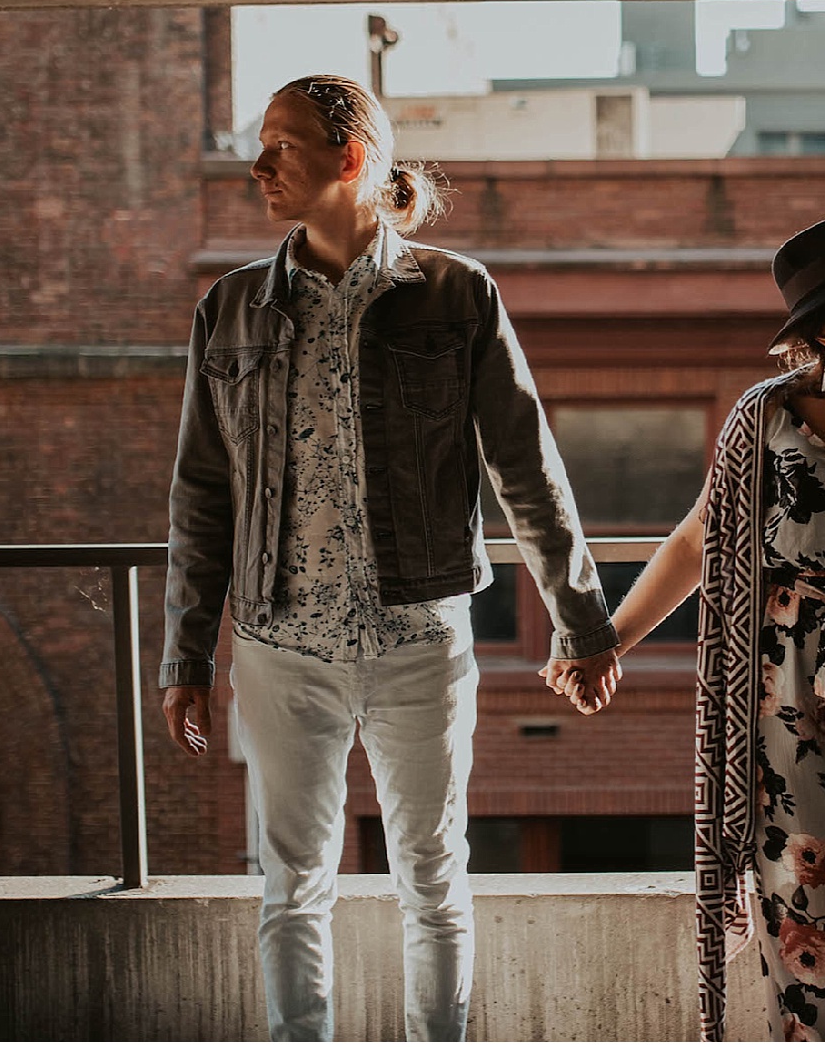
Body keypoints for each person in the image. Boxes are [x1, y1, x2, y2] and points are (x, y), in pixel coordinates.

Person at [161, 74, 621, 1042]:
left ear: (351, 156)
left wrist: (582, 624)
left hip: (420, 642)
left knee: (433, 877)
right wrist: (185, 655)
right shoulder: (230, 309)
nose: (259, 166)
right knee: (292, 883)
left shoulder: (455, 294)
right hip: (278, 646)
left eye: (282, 144)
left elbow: (525, 466)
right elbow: (203, 491)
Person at [550, 213, 825, 1042]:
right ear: (822, 329)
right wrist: (606, 640)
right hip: (791, 701)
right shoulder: (764, 420)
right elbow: (700, 542)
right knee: (810, 909)